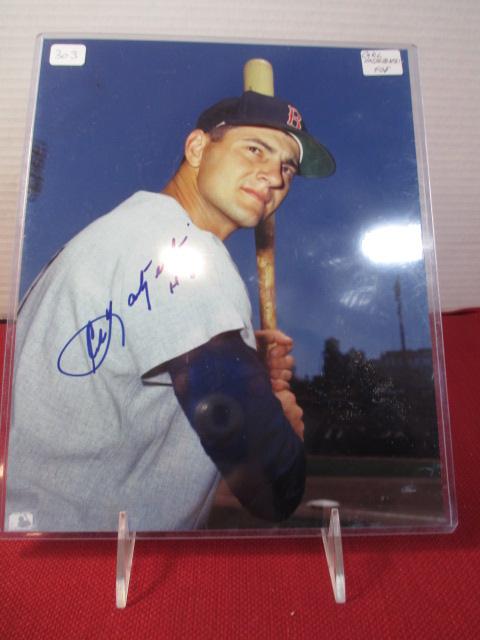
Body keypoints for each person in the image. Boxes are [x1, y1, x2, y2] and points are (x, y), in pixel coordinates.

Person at [5, 90, 335, 532]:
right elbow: (273, 486)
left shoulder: (121, 232)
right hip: (84, 559)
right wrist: (283, 424)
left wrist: (245, 362)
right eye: (255, 148)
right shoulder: (188, 252)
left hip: (33, 537)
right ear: (197, 147)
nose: (274, 176)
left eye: (287, 167)